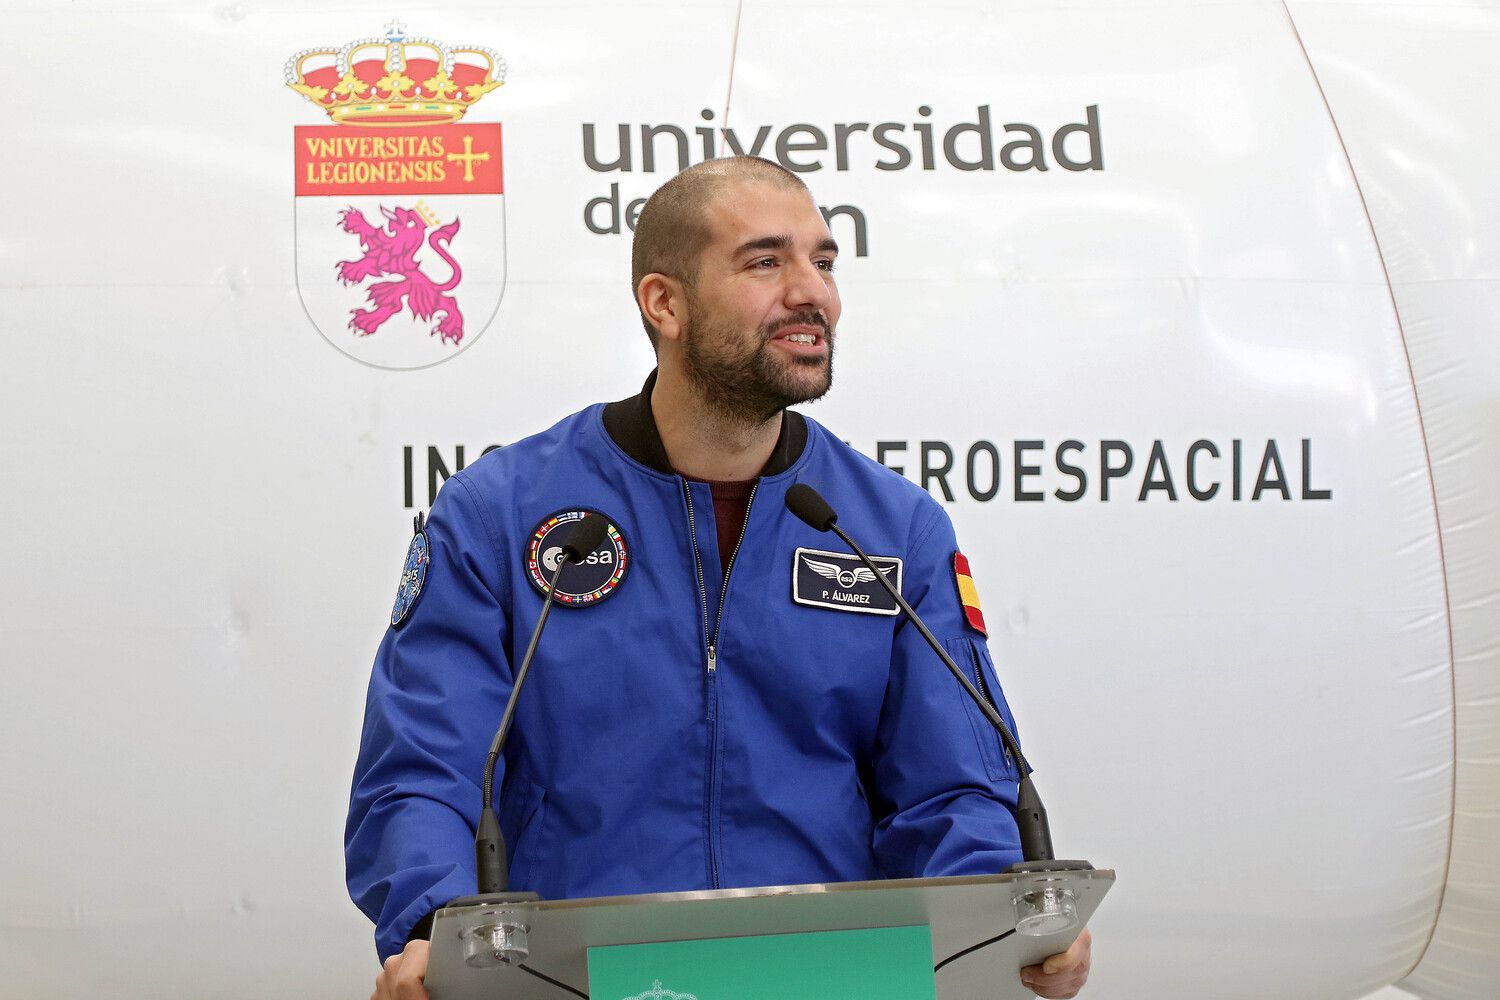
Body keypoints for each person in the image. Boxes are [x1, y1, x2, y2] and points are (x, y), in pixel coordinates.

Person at [349, 155, 1093, 1000]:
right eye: (766, 261)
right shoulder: (502, 514)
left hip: (826, 981)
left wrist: (1009, 918)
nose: (812, 292)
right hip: (572, 984)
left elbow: (954, 786)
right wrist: (429, 930)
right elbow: (423, 771)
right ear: (664, 303)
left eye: (824, 260)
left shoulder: (889, 528)